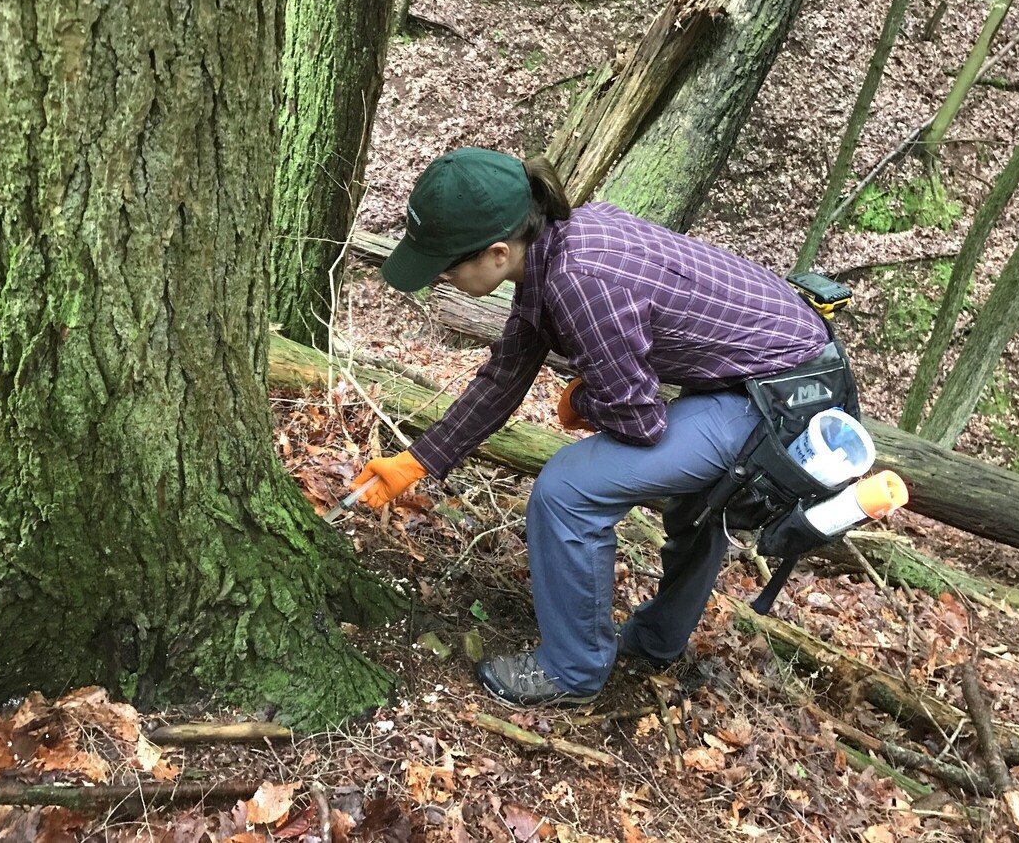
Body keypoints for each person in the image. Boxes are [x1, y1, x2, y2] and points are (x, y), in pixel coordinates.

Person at [350, 146, 831, 706]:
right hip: (768, 378)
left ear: (498, 252)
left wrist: (584, 400)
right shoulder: (555, 249)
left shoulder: (580, 280)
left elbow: (640, 421)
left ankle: (573, 670)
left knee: (567, 491)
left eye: (447, 268)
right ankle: (655, 642)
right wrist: (417, 461)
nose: (442, 279)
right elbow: (504, 377)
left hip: (784, 400)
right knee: (696, 501)